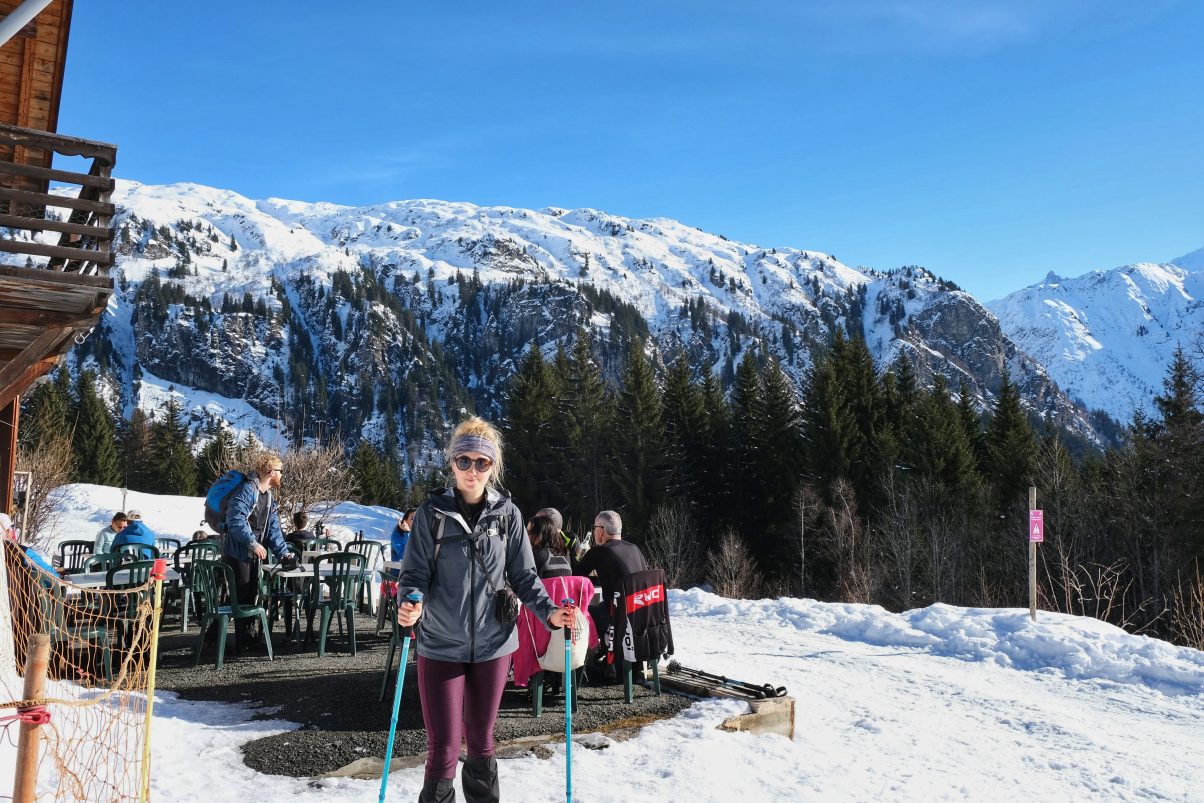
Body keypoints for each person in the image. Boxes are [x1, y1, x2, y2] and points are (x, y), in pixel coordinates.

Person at [396, 416, 576, 803]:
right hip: (441, 643)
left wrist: (549, 612)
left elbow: (525, 576)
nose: (472, 470)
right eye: (465, 461)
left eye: (482, 462)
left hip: (495, 644)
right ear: (452, 463)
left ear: (492, 466)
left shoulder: (508, 515)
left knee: (481, 741)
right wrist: (411, 602)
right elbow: (413, 574)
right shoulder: (432, 513)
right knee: (443, 748)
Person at [222, 453, 290, 646]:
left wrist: (283, 553)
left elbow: (273, 529)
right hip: (237, 552)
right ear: (270, 472)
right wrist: (253, 543)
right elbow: (235, 520)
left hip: (252, 553)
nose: (282, 475)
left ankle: (242, 638)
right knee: (242, 595)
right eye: (280, 471)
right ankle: (233, 638)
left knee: (250, 594)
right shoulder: (246, 490)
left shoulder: (268, 496)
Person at [575, 509, 648, 677]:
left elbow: (575, 575)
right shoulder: (634, 548)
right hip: (642, 615)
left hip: (617, 618)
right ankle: (607, 657)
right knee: (600, 607)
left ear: (600, 531)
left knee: (580, 615)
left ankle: (586, 661)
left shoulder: (600, 551)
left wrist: (575, 553)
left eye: (594, 528)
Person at [527, 509, 571, 579]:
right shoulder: (565, 554)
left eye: (529, 532)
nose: (526, 536)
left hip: (543, 590)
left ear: (540, 535)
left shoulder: (536, 555)